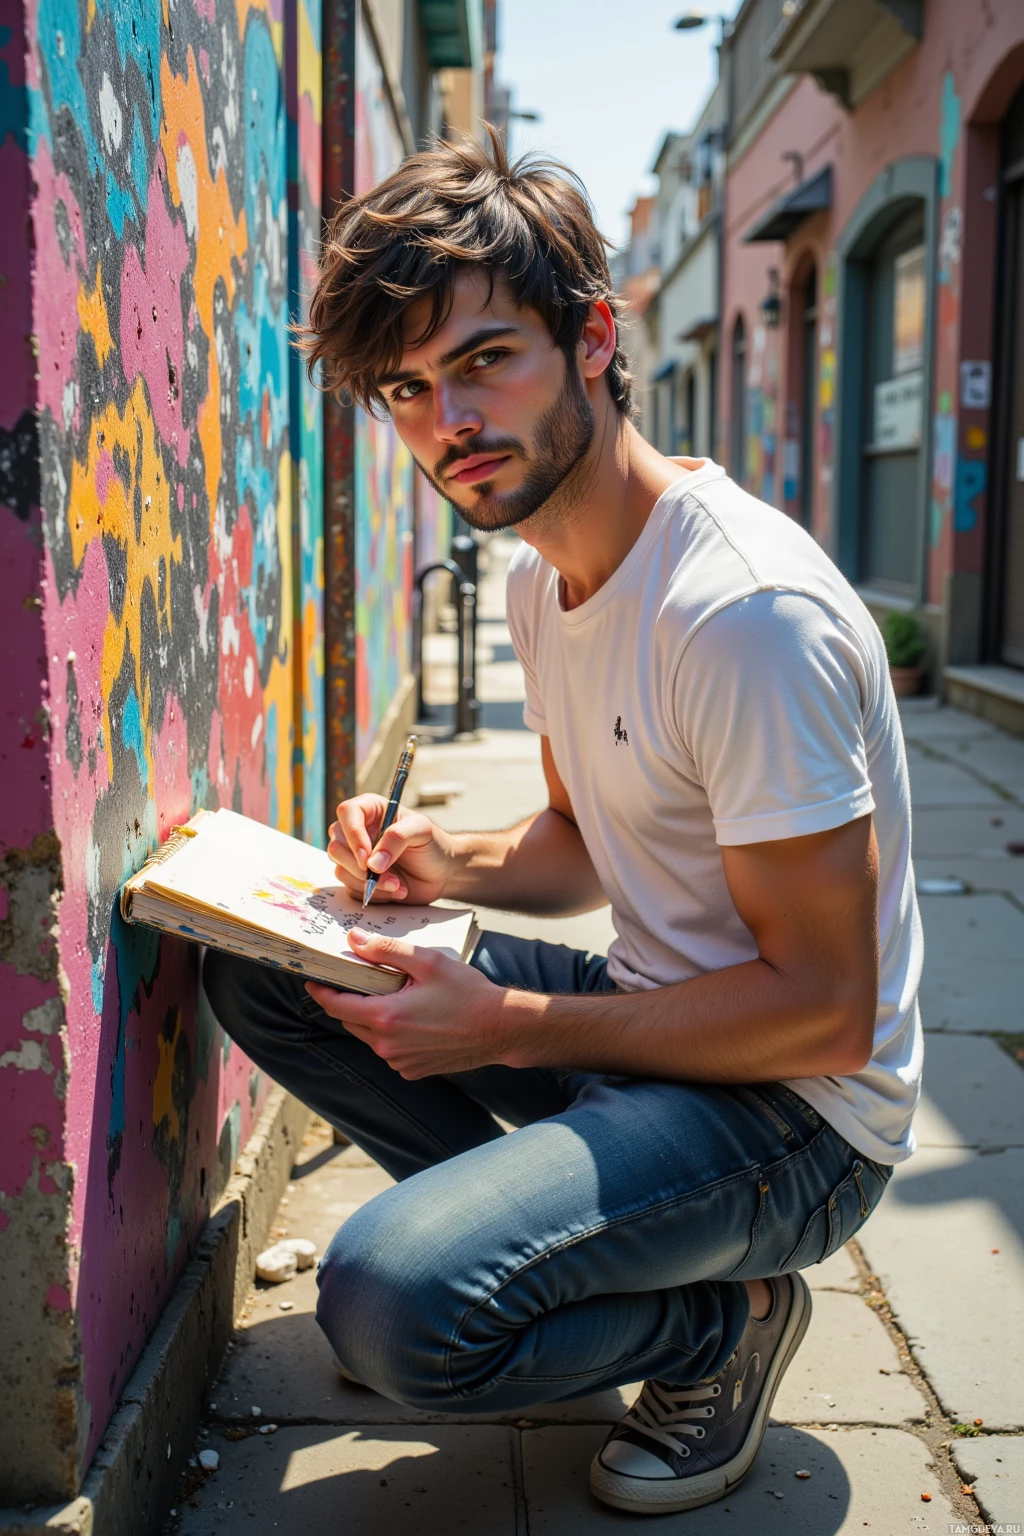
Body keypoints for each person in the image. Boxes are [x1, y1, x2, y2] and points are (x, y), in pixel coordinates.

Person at [202, 128, 922, 1517]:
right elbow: (582, 842)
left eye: (485, 360)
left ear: (592, 338)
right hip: (661, 1024)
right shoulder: (548, 576)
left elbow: (831, 1011)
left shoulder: (742, 618)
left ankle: (722, 1326)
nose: (446, 424)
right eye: (406, 389)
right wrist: (429, 864)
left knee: (389, 1304)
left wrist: (510, 1031)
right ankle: (534, 1263)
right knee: (274, 962)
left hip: (797, 1120)